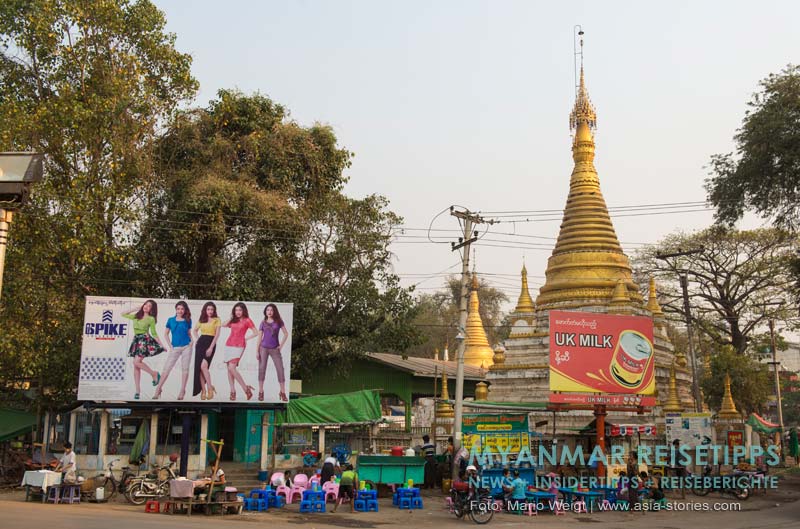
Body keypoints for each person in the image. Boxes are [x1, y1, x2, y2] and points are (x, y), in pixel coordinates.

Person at [123, 300, 166, 400]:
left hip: (144, 341)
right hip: (136, 340)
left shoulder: (151, 319)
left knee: (136, 362)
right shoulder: (136, 316)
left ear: (152, 309)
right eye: (145, 304)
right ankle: (137, 391)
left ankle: (154, 373)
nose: (146, 306)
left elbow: (154, 333)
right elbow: (123, 314)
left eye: (149, 306)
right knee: (136, 366)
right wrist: (136, 308)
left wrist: (161, 345)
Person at [154, 301, 193, 400]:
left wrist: (192, 342)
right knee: (167, 368)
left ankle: (182, 390)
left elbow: (189, 333)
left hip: (186, 347)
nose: (180, 311)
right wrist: (170, 346)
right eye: (178, 308)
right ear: (176, 309)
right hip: (175, 347)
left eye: (182, 309)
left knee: (185, 369)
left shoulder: (188, 320)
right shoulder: (171, 320)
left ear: (185, 310)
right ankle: (158, 389)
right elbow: (166, 334)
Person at [222, 302, 258, 401]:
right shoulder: (233, 320)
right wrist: (231, 317)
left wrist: (246, 338)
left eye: (240, 310)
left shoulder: (247, 320)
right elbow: (223, 325)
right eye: (236, 310)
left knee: (232, 368)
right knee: (229, 369)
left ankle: (246, 389)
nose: (238, 312)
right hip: (228, 344)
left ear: (243, 311)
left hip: (239, 345)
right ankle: (232, 391)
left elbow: (256, 332)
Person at [257, 304, 290, 402]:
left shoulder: (279, 322)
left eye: (271, 310)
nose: (269, 312)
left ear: (274, 311)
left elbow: (286, 333)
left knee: (280, 369)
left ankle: (282, 392)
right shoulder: (262, 323)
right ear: (265, 312)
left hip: (275, 348)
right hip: (263, 348)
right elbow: (259, 337)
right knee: (262, 369)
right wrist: (256, 351)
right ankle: (261, 392)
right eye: (268, 310)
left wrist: (281, 346)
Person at [193, 302, 221, 400]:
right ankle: (203, 390)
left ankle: (209, 388)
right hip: (201, 343)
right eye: (208, 309)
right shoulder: (201, 320)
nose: (210, 311)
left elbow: (217, 335)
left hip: (210, 343)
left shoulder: (217, 320)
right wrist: (197, 339)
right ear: (205, 310)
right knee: (200, 368)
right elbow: (194, 330)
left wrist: (211, 347)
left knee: (204, 366)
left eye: (212, 309)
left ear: (214, 310)